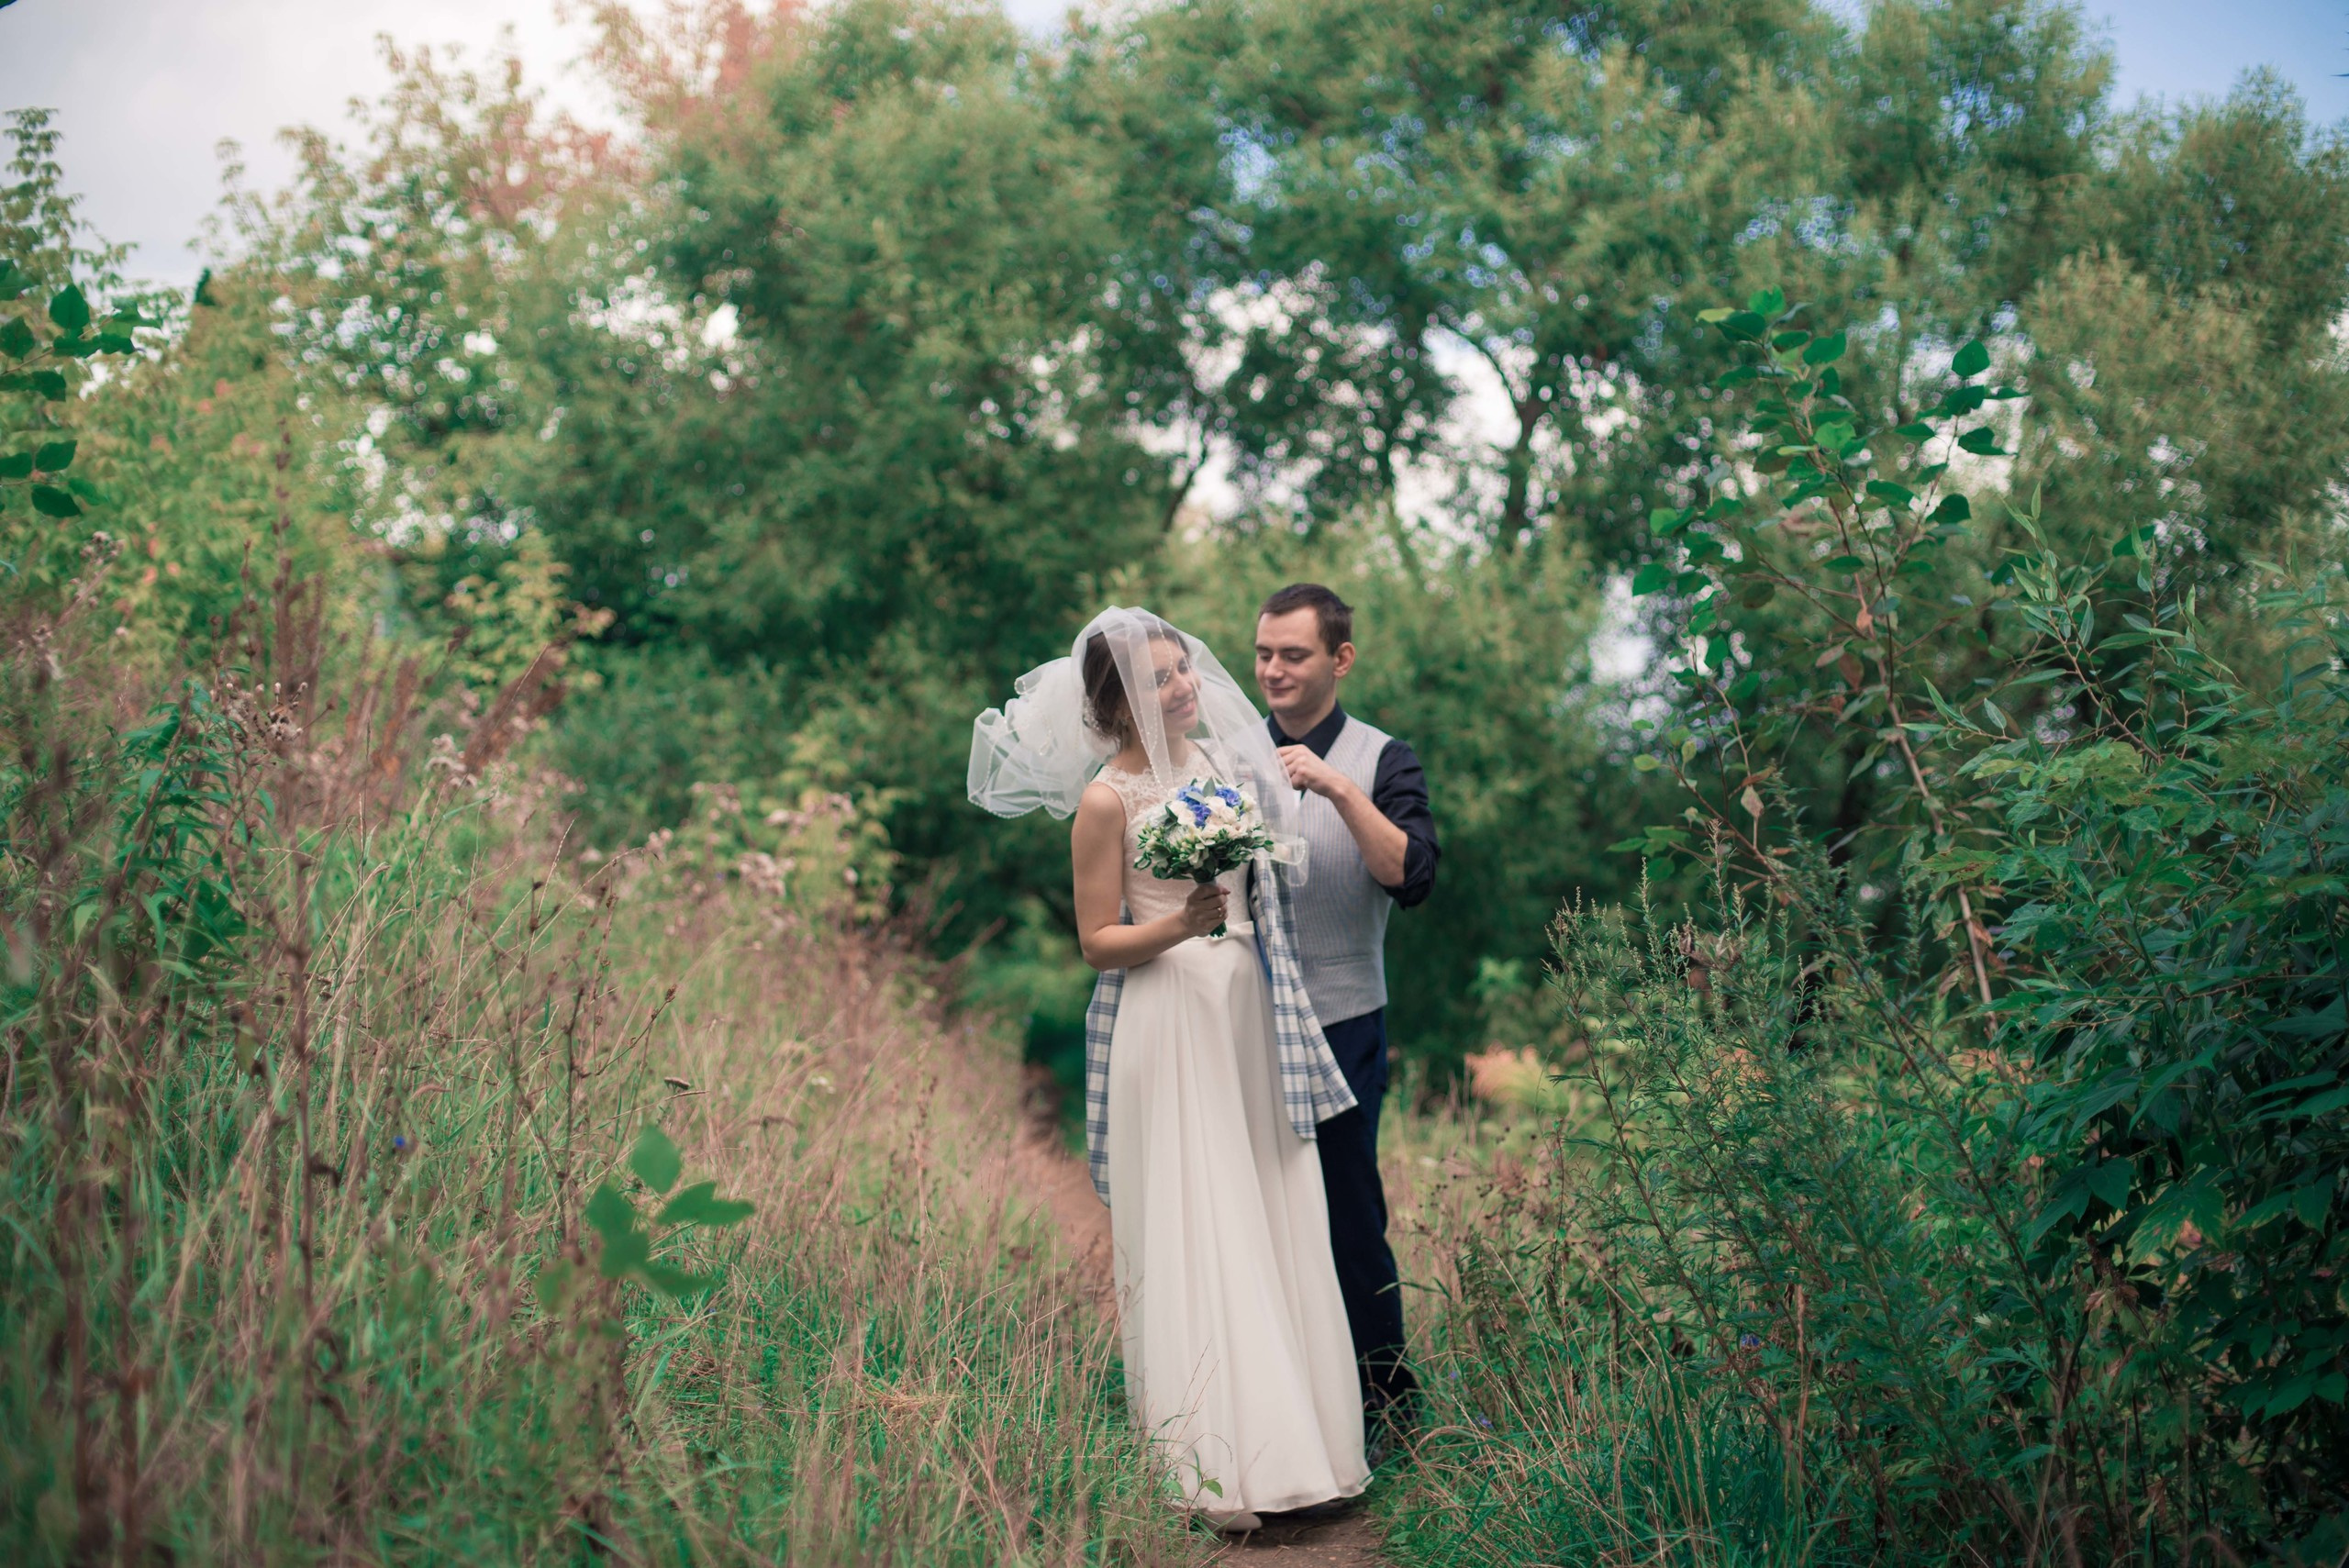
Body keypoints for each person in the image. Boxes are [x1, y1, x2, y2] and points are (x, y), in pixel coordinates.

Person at [967, 606, 1366, 1533]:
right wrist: (1178, 926)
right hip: (1166, 1008)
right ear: (1116, 704)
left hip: (1240, 1005)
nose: (1185, 686)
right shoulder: (1107, 800)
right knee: (1202, 1216)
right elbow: (1097, 940)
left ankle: (1308, 1451)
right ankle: (1218, 1466)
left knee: (1269, 1207)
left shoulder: (1222, 768)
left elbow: (1270, 875)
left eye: (1183, 668)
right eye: (1159, 679)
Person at [1253, 583, 1436, 1444]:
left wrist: (1335, 788)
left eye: (1293, 654)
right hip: (1240, 1025)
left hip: (1343, 1022)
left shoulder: (1381, 758)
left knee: (1350, 1217)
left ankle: (1386, 1410)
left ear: (1340, 659)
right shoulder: (1224, 753)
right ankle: (1280, 1412)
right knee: (1253, 1217)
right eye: (1264, 654)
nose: (1275, 670)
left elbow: (1412, 874)